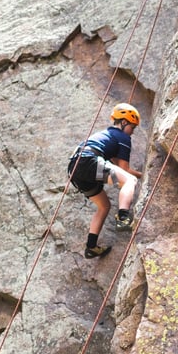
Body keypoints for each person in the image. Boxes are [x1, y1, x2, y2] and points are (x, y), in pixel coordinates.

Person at [68, 103, 144, 259]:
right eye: (132, 127)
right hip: (88, 160)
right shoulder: (123, 137)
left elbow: (117, 167)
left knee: (104, 205)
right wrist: (143, 175)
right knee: (130, 180)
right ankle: (123, 217)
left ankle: (91, 246)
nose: (133, 132)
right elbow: (125, 169)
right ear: (124, 123)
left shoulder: (108, 135)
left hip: (74, 168)